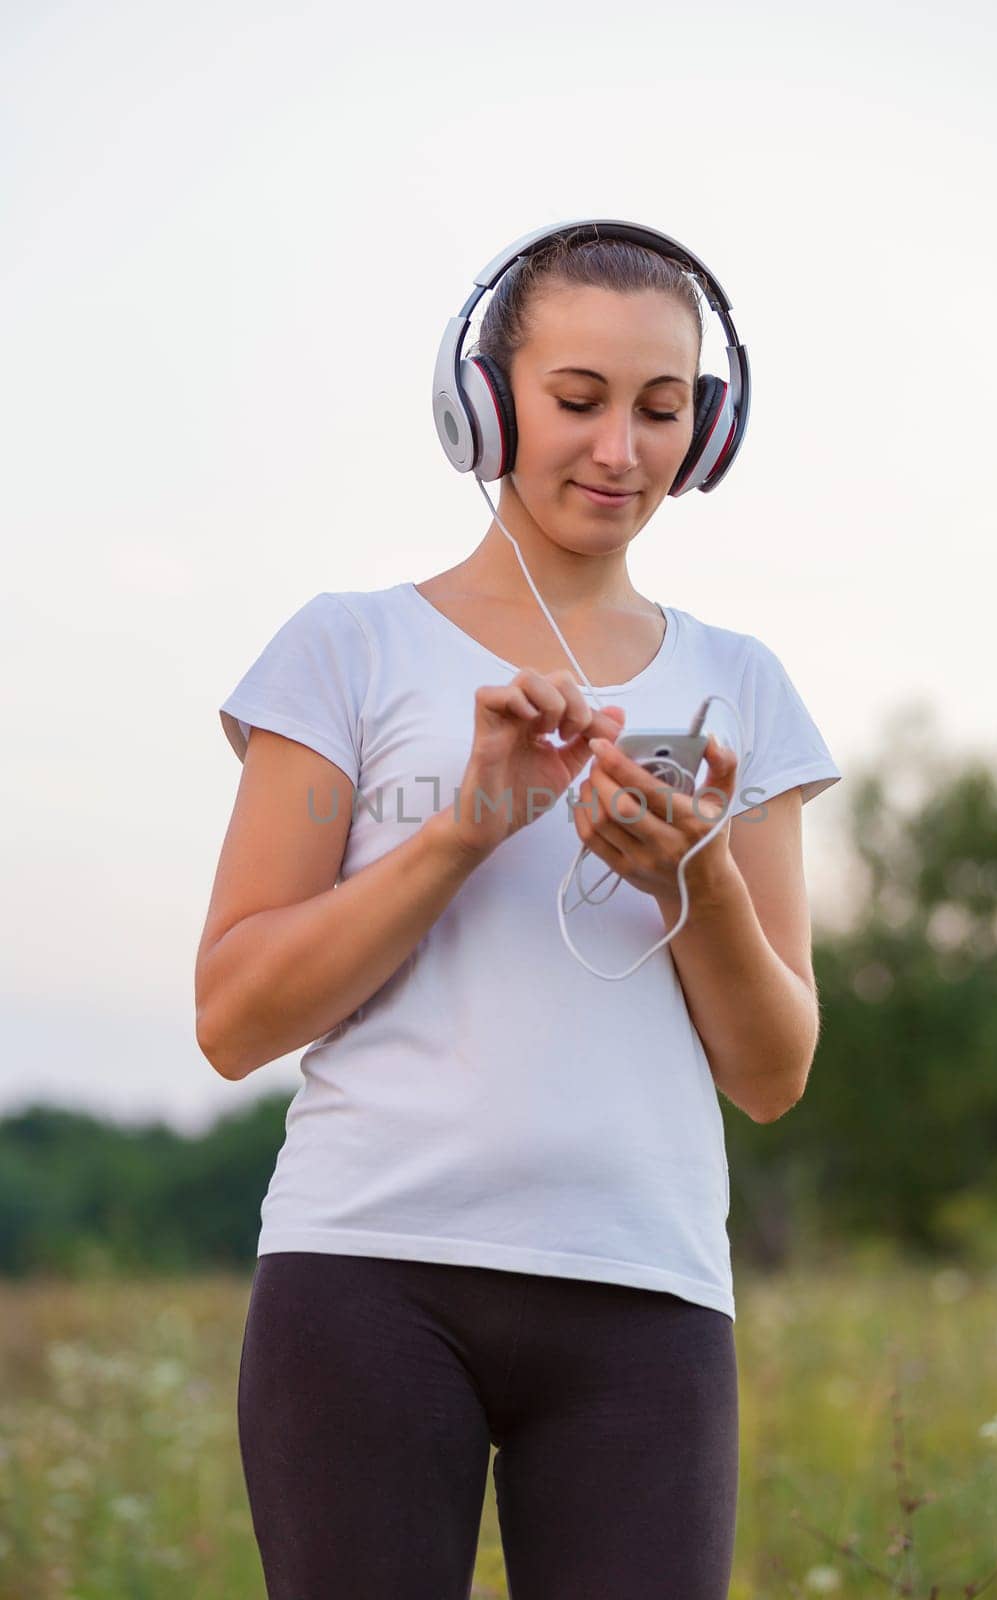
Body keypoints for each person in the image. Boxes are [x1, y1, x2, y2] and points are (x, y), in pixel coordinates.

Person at [196, 232, 842, 1599]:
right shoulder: (345, 647)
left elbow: (774, 1073)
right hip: (366, 1276)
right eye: (579, 397)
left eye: (663, 410)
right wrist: (466, 827)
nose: (621, 447)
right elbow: (233, 1018)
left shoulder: (747, 686)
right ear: (483, 402)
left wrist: (697, 874)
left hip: (646, 1301)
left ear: (707, 430)